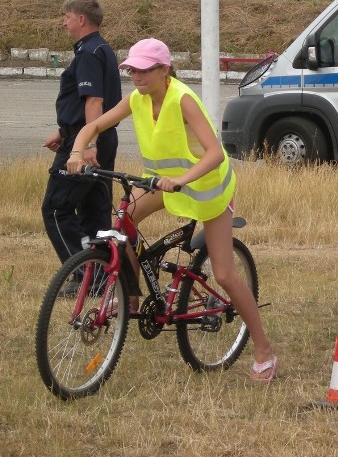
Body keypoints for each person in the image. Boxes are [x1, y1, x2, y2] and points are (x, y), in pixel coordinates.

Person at [66, 38, 277, 383]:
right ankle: (132, 299)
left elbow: (215, 154)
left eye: (145, 68)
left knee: (224, 273)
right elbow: (94, 126)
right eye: (132, 68)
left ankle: (264, 350)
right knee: (123, 221)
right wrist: (79, 151)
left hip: (207, 188)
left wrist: (182, 179)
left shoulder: (182, 99)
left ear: (165, 70)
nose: (137, 75)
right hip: (164, 183)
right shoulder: (137, 98)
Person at [42, 0, 121, 296]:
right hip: (93, 136)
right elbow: (87, 103)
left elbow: (94, 100)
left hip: (87, 141)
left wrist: (85, 143)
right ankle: (101, 278)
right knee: (94, 212)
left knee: (56, 208)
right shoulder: (102, 48)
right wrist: (64, 132)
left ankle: (82, 274)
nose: (63, 22)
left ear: (82, 20)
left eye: (67, 16)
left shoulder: (88, 52)